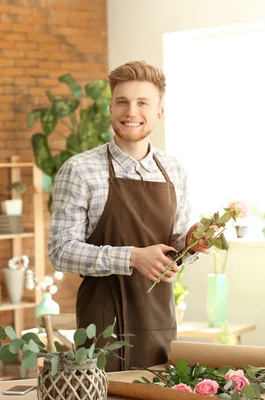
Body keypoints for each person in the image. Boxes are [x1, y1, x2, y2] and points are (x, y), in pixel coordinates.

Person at [48, 60, 209, 372]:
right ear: (111, 109)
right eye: (122, 102)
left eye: (142, 103)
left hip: (159, 320)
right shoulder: (80, 169)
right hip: (102, 323)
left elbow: (176, 251)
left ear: (159, 113)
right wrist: (133, 257)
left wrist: (193, 242)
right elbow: (60, 252)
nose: (131, 112)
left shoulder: (175, 169)